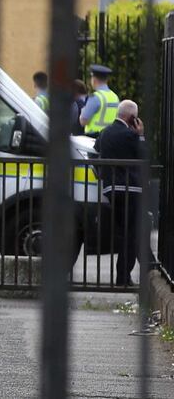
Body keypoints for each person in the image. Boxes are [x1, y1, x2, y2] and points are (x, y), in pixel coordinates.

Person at [94, 100, 156, 286]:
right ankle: (125, 276)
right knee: (132, 233)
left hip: (111, 189)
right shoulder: (131, 135)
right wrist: (141, 136)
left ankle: (150, 266)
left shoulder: (104, 133)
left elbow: (97, 149)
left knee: (133, 231)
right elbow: (145, 157)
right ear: (132, 118)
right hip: (131, 189)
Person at [80, 64, 120, 137]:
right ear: (106, 80)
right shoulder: (115, 97)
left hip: (93, 138)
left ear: (94, 80)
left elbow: (83, 121)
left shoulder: (95, 97)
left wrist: (83, 109)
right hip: (110, 137)